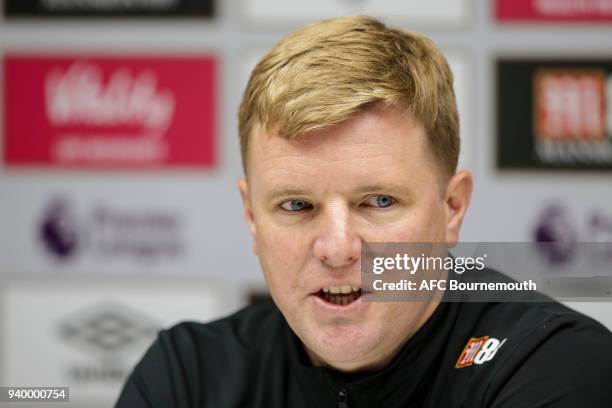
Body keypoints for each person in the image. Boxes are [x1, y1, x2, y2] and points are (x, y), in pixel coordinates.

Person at [115, 16, 612, 407]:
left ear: (452, 207)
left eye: (378, 202)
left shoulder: (553, 365)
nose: (337, 248)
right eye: (296, 205)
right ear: (251, 216)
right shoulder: (188, 376)